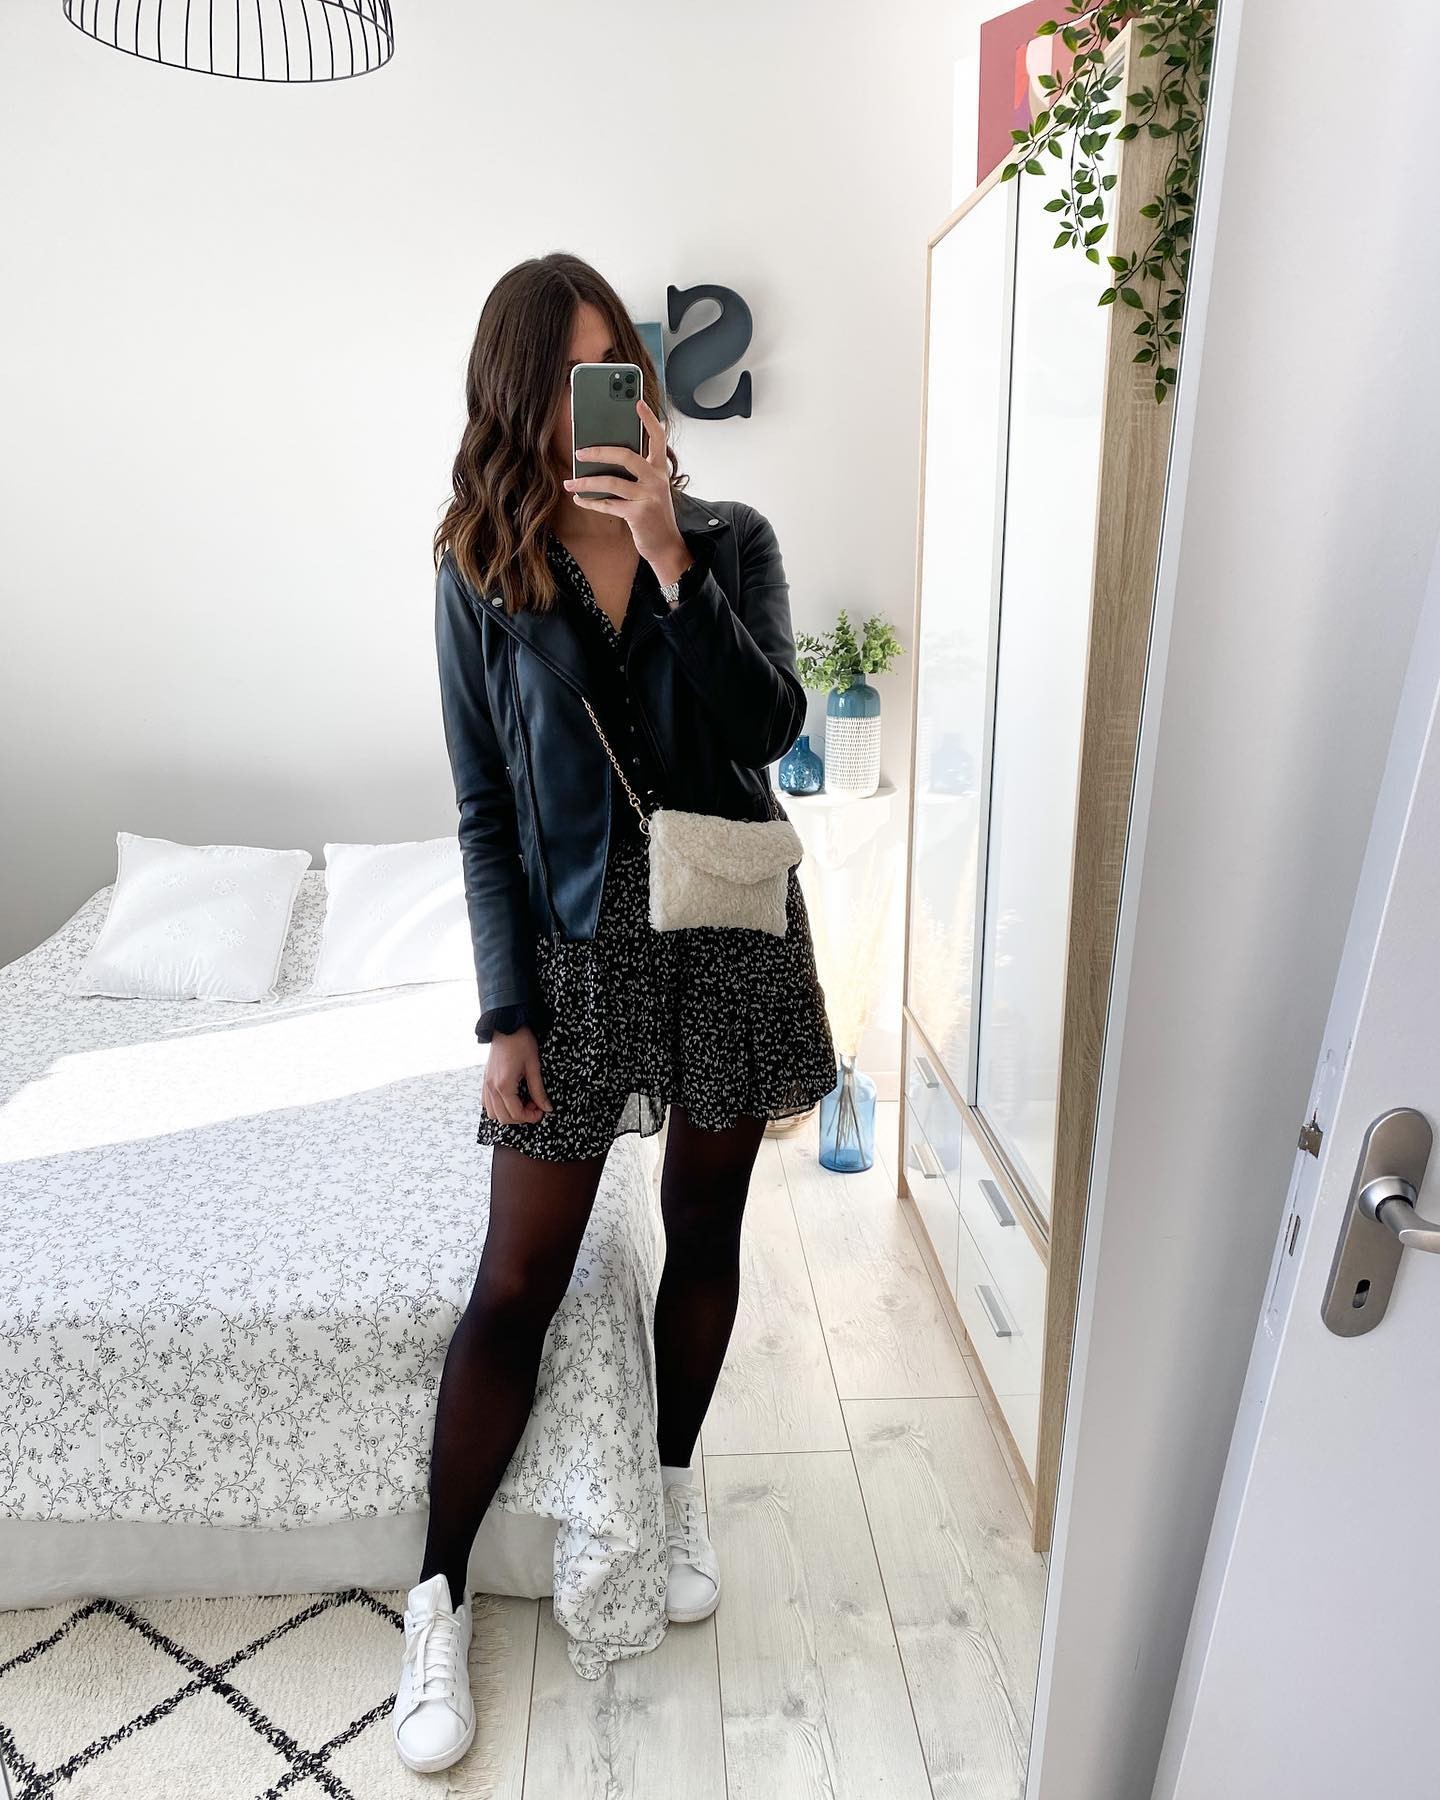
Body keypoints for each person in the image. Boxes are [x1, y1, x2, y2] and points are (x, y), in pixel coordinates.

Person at [391, 251, 837, 1773]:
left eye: (621, 372)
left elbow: (769, 727)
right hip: (576, 963)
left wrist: (666, 550)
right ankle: (438, 1594)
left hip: (724, 936)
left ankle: (670, 1481)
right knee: (516, 1281)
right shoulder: (477, 570)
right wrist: (502, 1014)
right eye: (577, 377)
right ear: (522, 399)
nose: (610, 399)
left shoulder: (728, 537)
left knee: (704, 1229)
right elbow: (482, 811)